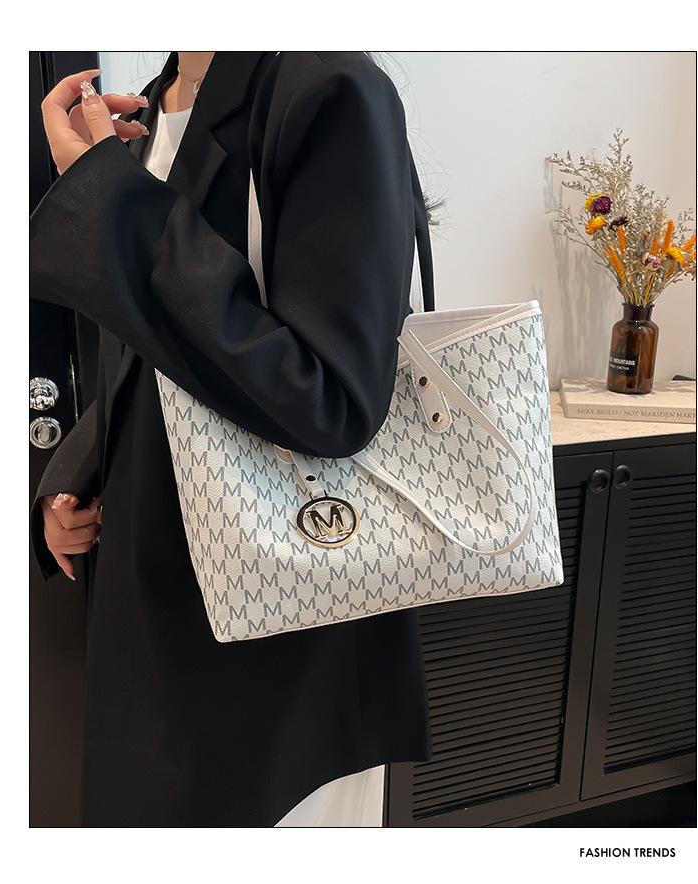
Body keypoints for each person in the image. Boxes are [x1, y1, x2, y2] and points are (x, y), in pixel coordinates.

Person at [30, 51, 435, 827]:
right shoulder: (157, 105)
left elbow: (332, 399)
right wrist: (77, 470)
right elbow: (156, 350)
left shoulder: (329, 88)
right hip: (154, 600)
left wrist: (111, 200)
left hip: (282, 642)